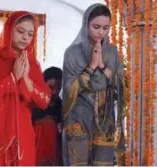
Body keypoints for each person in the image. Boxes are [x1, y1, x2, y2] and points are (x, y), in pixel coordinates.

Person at [0, 11, 51, 166]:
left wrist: (25, 78)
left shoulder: (31, 64)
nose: (25, 37)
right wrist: (12, 78)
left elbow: (44, 101)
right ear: (9, 29)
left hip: (24, 132)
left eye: (30, 34)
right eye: (20, 31)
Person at [61, 3, 125, 166]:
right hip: (79, 117)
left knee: (103, 163)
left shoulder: (112, 52)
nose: (101, 32)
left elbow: (122, 84)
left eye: (105, 28)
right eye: (96, 27)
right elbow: (69, 90)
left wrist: (102, 66)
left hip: (105, 119)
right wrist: (90, 66)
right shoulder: (73, 53)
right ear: (86, 24)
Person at [32, 67, 63, 166]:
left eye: (59, 88)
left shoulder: (60, 105)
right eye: (51, 87)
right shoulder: (34, 103)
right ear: (42, 83)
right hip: (35, 154)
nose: (55, 92)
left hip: (54, 155)